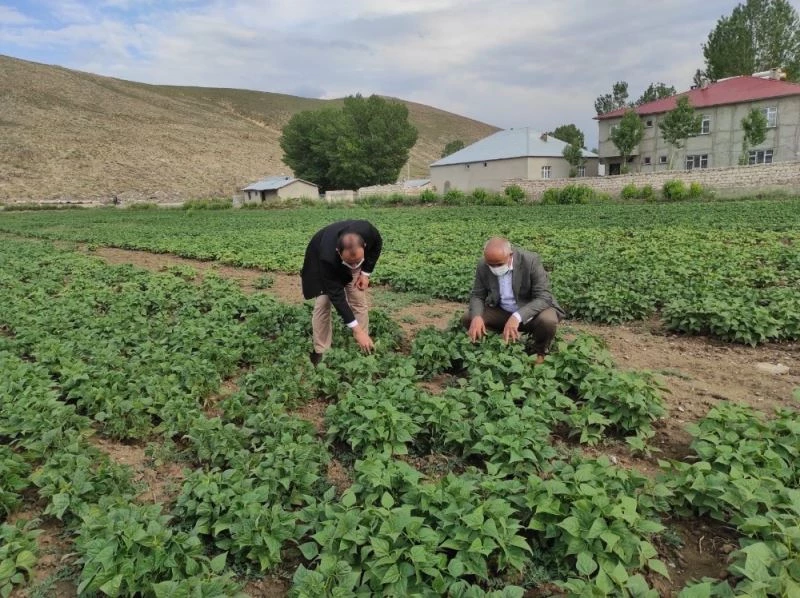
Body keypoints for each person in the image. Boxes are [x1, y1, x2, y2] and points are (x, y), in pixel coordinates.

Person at [462, 237, 564, 363]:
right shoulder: (483, 264)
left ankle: (540, 353)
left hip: (531, 311)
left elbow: (543, 297)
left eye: (499, 264)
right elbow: (477, 295)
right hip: (502, 310)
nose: (495, 268)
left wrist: (517, 316)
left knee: (548, 320)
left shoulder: (530, 261)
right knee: (469, 317)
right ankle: (491, 347)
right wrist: (477, 317)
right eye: (491, 265)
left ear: (510, 255)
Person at [301, 219, 383, 365]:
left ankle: (364, 344)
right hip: (321, 258)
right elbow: (337, 297)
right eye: (350, 264)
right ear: (339, 252)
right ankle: (321, 351)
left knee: (357, 296)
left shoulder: (369, 232)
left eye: (357, 262)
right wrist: (355, 330)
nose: (353, 266)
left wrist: (365, 272)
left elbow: (377, 247)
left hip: (350, 254)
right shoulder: (327, 257)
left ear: (364, 245)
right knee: (323, 302)